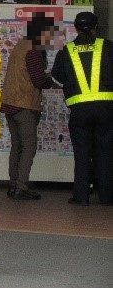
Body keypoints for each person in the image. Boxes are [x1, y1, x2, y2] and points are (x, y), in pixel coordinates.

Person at [51, 11, 113, 206]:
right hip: (106, 108)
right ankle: (107, 196)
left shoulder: (67, 50)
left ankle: (81, 196)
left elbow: (57, 77)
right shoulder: (108, 47)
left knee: (82, 153)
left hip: (79, 111)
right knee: (105, 152)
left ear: (76, 28)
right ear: (96, 27)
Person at [1, 13, 56, 200]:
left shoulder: (20, 46)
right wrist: (51, 79)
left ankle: (13, 184)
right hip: (23, 104)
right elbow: (38, 80)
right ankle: (21, 187)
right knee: (29, 146)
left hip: (9, 102)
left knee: (17, 145)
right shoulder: (33, 50)